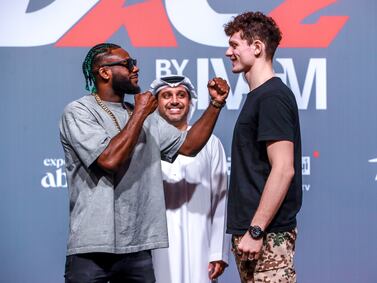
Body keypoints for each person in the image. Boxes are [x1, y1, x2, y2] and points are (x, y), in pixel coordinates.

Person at [59, 43, 229, 283]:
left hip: (138, 249)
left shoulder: (144, 115)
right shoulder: (79, 112)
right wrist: (139, 114)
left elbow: (189, 145)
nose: (135, 68)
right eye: (128, 64)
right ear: (104, 72)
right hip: (92, 247)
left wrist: (216, 105)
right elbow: (109, 160)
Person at [223, 12, 302, 283]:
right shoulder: (259, 96)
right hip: (252, 235)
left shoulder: (272, 97)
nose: (228, 52)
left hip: (265, 236)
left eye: (234, 45)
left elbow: (283, 169)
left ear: (257, 47)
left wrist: (256, 230)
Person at [149, 75, 230, 283]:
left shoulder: (211, 143)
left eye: (181, 95)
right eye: (166, 95)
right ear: (156, 103)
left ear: (190, 102)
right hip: (156, 246)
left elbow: (220, 200)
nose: (174, 101)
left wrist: (217, 252)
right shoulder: (145, 141)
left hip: (200, 244)